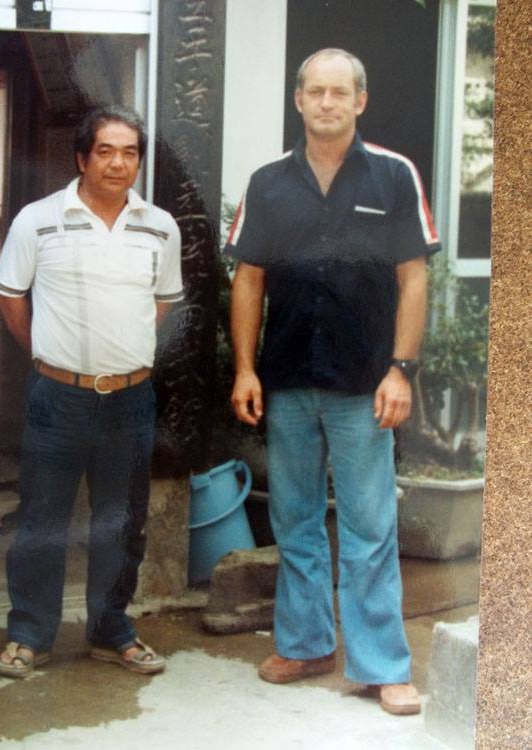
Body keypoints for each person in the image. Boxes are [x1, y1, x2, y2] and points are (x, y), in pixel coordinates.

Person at [226, 49, 440, 715]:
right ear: (298, 100)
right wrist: (244, 367)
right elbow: (249, 279)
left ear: (359, 101)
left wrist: (401, 370)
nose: (326, 102)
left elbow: (413, 278)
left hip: (364, 384)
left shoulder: (393, 176)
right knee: (293, 521)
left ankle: (382, 665)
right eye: (314, 91)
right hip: (287, 378)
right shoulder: (267, 183)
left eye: (338, 92)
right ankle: (306, 644)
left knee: (370, 527)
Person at [0, 105, 184, 678]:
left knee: (122, 521)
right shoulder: (38, 220)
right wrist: (50, 354)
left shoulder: (160, 226)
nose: (118, 163)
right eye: (105, 151)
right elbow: (10, 297)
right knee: (42, 518)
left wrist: (120, 354)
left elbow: (162, 303)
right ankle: (30, 634)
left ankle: (110, 630)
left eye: (129, 153)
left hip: (130, 400)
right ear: (82, 157)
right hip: (58, 398)